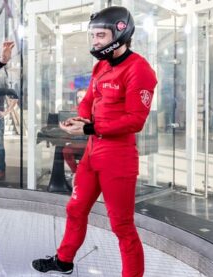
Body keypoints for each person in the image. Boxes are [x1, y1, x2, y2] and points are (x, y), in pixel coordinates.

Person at [32, 6, 157, 276]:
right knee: (75, 208)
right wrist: (79, 118)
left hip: (118, 158)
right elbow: (89, 99)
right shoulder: (101, 65)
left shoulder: (140, 70)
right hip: (93, 153)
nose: (95, 42)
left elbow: (135, 120)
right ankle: (64, 261)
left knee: (122, 226)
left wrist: (90, 128)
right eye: (93, 36)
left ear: (120, 33)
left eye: (100, 36)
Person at [62, 88, 88, 175]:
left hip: (88, 141)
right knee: (66, 150)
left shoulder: (92, 110)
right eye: (77, 97)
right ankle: (76, 172)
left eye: (81, 96)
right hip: (76, 140)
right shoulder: (74, 110)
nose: (79, 99)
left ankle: (81, 172)